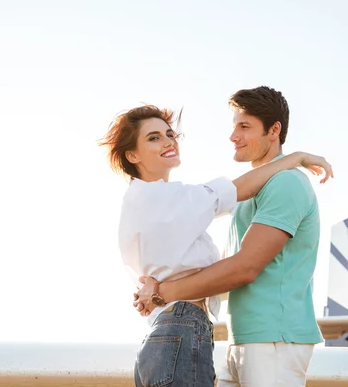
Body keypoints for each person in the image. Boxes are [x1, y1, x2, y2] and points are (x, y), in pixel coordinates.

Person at [98, 103, 332, 387]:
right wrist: (297, 157)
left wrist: (158, 291)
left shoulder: (146, 204)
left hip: (166, 337)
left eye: (170, 134)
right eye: (154, 137)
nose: (168, 141)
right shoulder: (165, 199)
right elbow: (236, 190)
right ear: (132, 154)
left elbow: (225, 269)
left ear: (274, 130)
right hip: (181, 331)